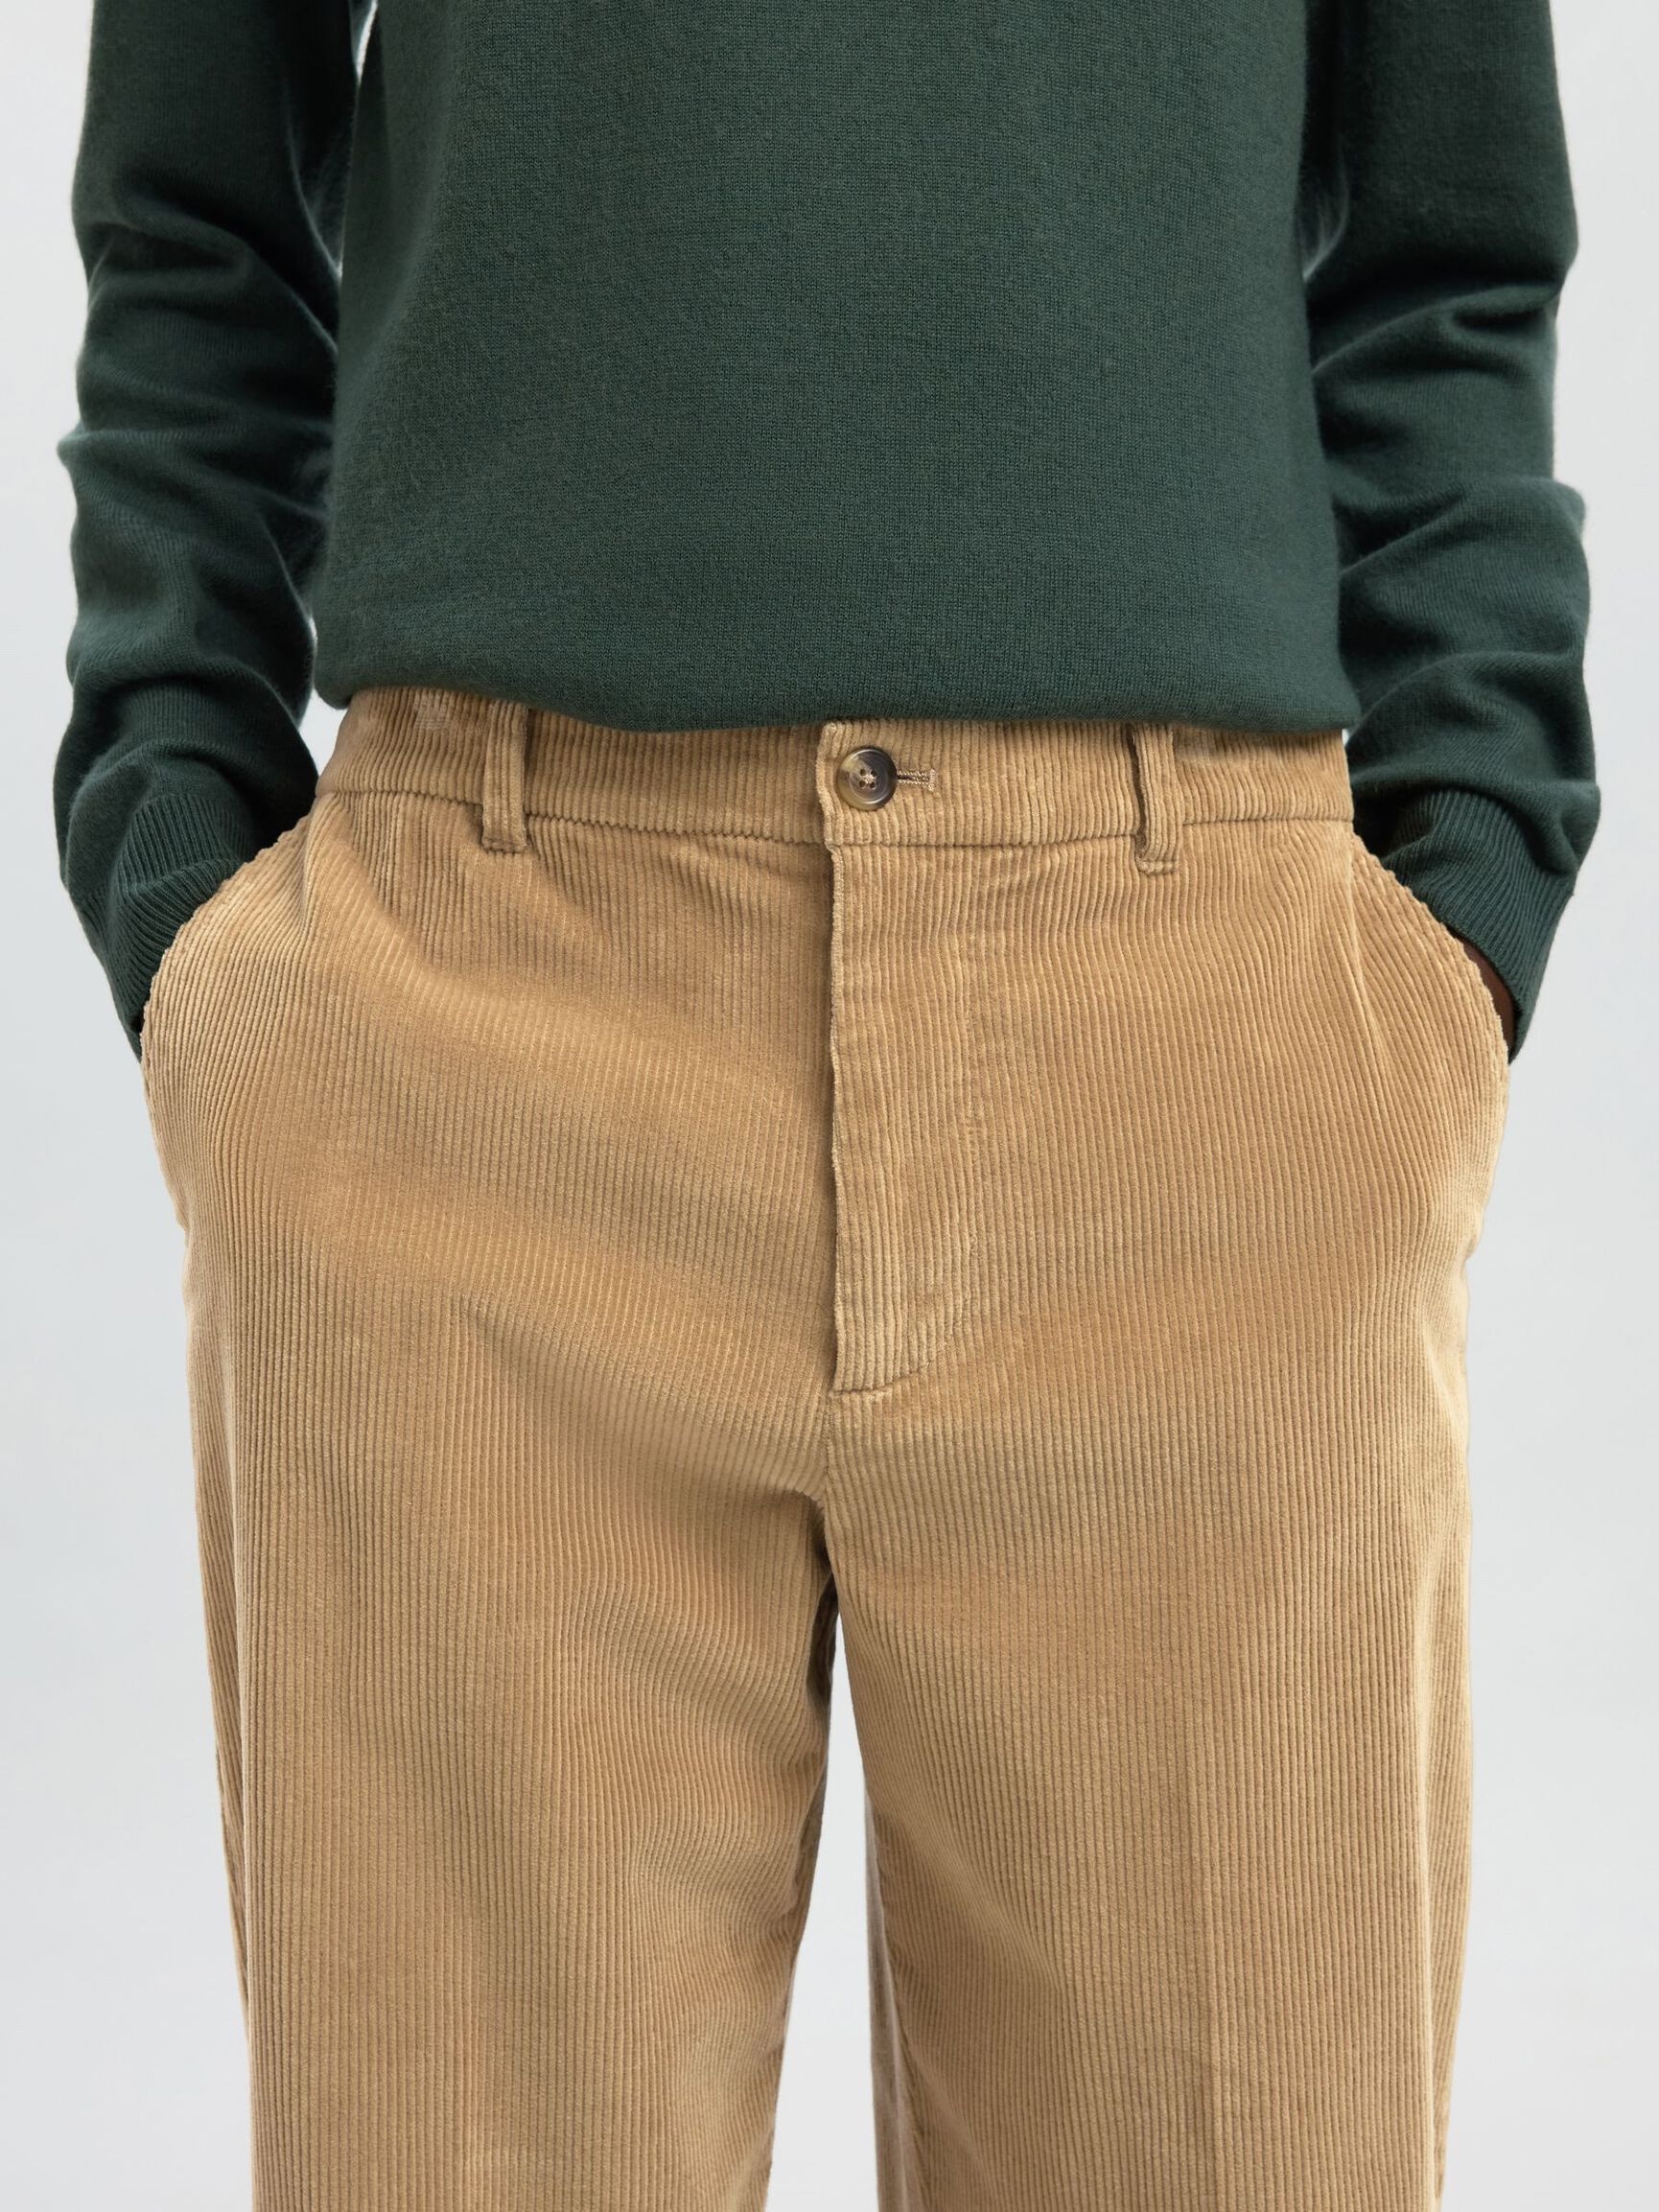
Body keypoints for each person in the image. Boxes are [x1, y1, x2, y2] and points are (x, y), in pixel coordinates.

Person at [51, 2, 1597, 2205]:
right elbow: (194, 201)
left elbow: (1449, 235)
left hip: (1195, 1056)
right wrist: (179, 847)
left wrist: (1462, 891)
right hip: (476, 1042)